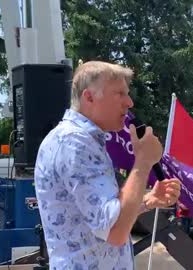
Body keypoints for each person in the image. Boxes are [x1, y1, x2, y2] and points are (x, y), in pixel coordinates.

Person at [34, 61, 181, 270]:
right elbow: (115, 231)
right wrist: (143, 162)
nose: (129, 102)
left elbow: (100, 216)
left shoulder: (81, 141)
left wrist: (148, 200)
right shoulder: (74, 143)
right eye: (119, 93)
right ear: (89, 97)